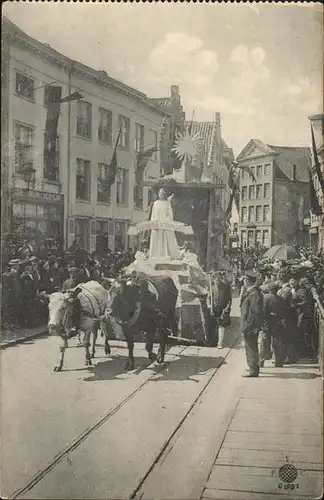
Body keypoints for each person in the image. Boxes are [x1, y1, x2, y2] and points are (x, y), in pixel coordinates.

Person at [240, 270, 264, 377]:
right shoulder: (251, 292)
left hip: (250, 325)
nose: (243, 282)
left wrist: (254, 326)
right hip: (249, 325)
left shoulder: (254, 293)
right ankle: (253, 367)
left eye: (244, 280)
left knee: (251, 347)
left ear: (247, 281)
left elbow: (256, 312)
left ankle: (253, 370)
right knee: (251, 347)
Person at [148, 188, 181, 260]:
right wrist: (154, 222)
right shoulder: (155, 203)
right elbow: (153, 215)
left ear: (164, 195)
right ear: (158, 194)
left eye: (162, 194)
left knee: (165, 239)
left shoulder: (167, 203)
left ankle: (165, 255)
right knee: (156, 239)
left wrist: (166, 221)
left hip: (164, 224)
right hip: (157, 224)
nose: (161, 195)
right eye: (160, 194)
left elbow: (170, 214)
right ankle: (155, 255)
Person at [261, 282, 285, 367]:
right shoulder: (281, 299)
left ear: (269, 290)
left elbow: (263, 311)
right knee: (277, 343)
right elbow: (283, 312)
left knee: (264, 343)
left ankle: (261, 361)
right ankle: (278, 362)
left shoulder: (265, 298)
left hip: (267, 323)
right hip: (277, 323)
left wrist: (269, 315)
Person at [207, 271, 232, 348]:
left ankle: (220, 343)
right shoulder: (212, 287)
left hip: (223, 309)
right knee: (213, 325)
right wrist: (209, 305)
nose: (217, 281)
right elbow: (208, 298)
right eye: (215, 280)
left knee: (222, 325)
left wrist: (226, 309)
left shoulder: (226, 287)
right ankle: (213, 341)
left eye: (218, 279)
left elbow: (229, 300)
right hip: (214, 309)